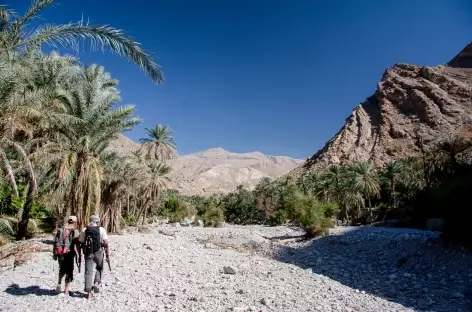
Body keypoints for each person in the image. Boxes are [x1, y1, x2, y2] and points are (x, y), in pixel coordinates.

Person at [78, 214, 110, 299]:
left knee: (88, 272)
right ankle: (96, 282)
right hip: (98, 251)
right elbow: (106, 243)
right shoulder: (101, 229)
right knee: (100, 267)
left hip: (88, 252)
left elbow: (80, 241)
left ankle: (89, 293)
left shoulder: (84, 229)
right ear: (98, 221)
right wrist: (107, 254)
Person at [53, 215, 80, 295]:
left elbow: (55, 242)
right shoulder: (75, 231)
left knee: (61, 268)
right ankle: (66, 291)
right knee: (69, 271)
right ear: (75, 222)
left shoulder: (60, 229)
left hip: (60, 253)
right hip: (69, 253)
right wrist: (78, 254)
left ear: (68, 221)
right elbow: (77, 244)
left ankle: (59, 283)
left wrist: (55, 254)